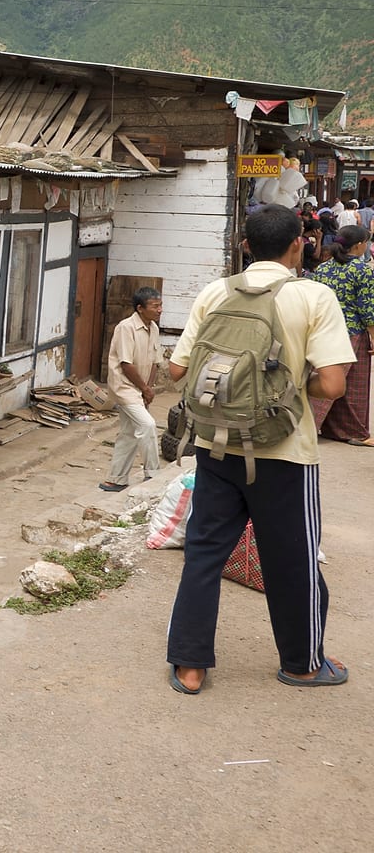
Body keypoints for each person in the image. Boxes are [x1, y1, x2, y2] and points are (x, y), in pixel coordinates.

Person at [166, 205, 353, 694]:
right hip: (284, 452)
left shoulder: (215, 291)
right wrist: (287, 383)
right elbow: (332, 385)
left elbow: (176, 371)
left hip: (215, 445)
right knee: (292, 559)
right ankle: (302, 664)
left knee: (204, 555)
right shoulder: (314, 296)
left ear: (246, 246)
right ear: (299, 244)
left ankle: (189, 666)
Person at [310, 225, 374, 446]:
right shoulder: (362, 269)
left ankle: (321, 425)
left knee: (322, 378)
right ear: (359, 245)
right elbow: (367, 308)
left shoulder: (323, 268)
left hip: (324, 331)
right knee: (354, 386)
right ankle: (354, 431)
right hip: (352, 333)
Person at [99, 287, 163, 493]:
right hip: (124, 387)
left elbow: (155, 362)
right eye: (155, 306)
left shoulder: (153, 328)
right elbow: (126, 365)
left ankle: (117, 479)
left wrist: (148, 389)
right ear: (140, 308)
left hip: (141, 389)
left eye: (160, 305)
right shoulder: (125, 328)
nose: (160, 310)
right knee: (147, 425)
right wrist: (144, 389)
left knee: (128, 433)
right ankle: (153, 475)